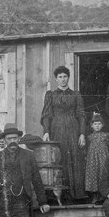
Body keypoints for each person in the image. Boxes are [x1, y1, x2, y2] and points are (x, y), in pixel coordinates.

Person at [41, 65, 87, 200]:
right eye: (60, 77)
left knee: (74, 159)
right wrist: (46, 131)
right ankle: (59, 197)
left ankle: (76, 195)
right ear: (56, 79)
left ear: (69, 78)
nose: (63, 79)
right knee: (58, 158)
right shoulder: (51, 94)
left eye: (65, 77)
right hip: (57, 129)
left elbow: (81, 114)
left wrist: (82, 133)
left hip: (73, 129)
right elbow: (46, 115)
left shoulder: (76, 94)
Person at [85, 113, 109, 204]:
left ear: (102, 125)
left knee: (102, 173)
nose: (97, 126)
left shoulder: (106, 136)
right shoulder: (89, 137)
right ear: (91, 125)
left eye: (99, 124)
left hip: (103, 157)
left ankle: (103, 194)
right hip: (92, 158)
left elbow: (108, 147)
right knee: (93, 174)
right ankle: (94, 195)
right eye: (95, 124)